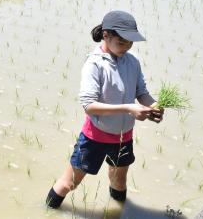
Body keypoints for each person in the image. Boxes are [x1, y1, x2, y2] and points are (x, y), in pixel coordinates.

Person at [45, 11, 164, 209]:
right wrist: (128, 107)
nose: (126, 47)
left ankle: (119, 212)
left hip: (123, 137)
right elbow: (89, 105)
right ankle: (46, 210)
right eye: (121, 42)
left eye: (130, 43)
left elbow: (141, 92)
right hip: (94, 138)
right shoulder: (94, 64)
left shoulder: (132, 61)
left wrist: (152, 106)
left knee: (119, 181)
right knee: (69, 183)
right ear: (106, 35)